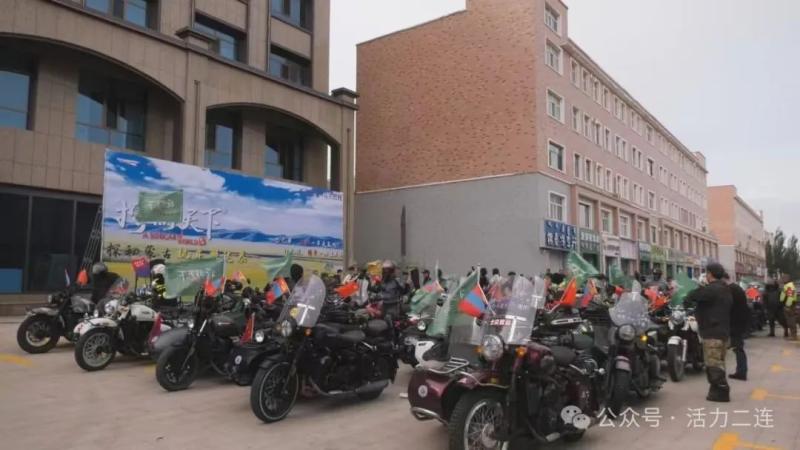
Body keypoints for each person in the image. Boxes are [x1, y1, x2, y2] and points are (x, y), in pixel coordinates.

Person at [685, 263, 732, 402]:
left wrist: (696, 290)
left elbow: (693, 295)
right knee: (718, 362)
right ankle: (715, 391)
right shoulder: (725, 288)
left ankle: (721, 392)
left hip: (713, 332)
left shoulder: (712, 289)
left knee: (713, 363)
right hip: (723, 331)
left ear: (710, 274)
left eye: (707, 273)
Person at [724, 273, 749, 381]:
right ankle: (741, 371)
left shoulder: (731, 290)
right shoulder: (736, 288)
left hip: (735, 323)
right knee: (737, 347)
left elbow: (729, 306)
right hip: (739, 322)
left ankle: (741, 372)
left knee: (738, 348)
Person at [780, 274, 797, 340]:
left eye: (783, 278)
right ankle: (792, 334)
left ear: (787, 279)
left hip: (789, 305)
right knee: (789, 320)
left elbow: (790, 296)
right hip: (788, 305)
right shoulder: (787, 285)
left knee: (791, 320)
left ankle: (793, 335)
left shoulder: (789, 286)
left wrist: (787, 306)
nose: (782, 280)